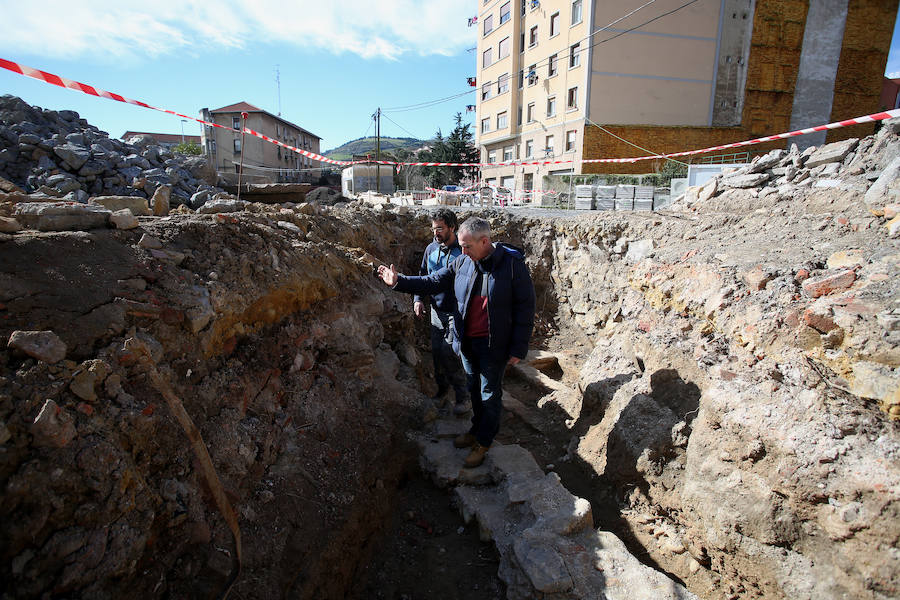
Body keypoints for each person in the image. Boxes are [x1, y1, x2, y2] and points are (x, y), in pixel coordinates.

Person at [378, 217, 536, 468]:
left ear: (484, 241)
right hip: (468, 341)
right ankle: (476, 430)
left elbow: (526, 308)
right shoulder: (463, 261)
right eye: (461, 246)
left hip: (494, 345)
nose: (461, 251)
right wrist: (399, 281)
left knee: (489, 393)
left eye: (467, 246)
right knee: (474, 388)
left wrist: (519, 347)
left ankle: (484, 441)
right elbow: (432, 281)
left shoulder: (512, 266)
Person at [414, 209, 469, 416]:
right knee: (437, 354)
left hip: (456, 312)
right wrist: (418, 299)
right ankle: (442, 392)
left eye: (440, 228)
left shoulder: (462, 251)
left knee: (451, 353)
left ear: (452, 227)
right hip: (436, 312)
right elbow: (422, 275)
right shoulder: (430, 249)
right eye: (433, 228)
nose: (435, 232)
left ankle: (463, 397)